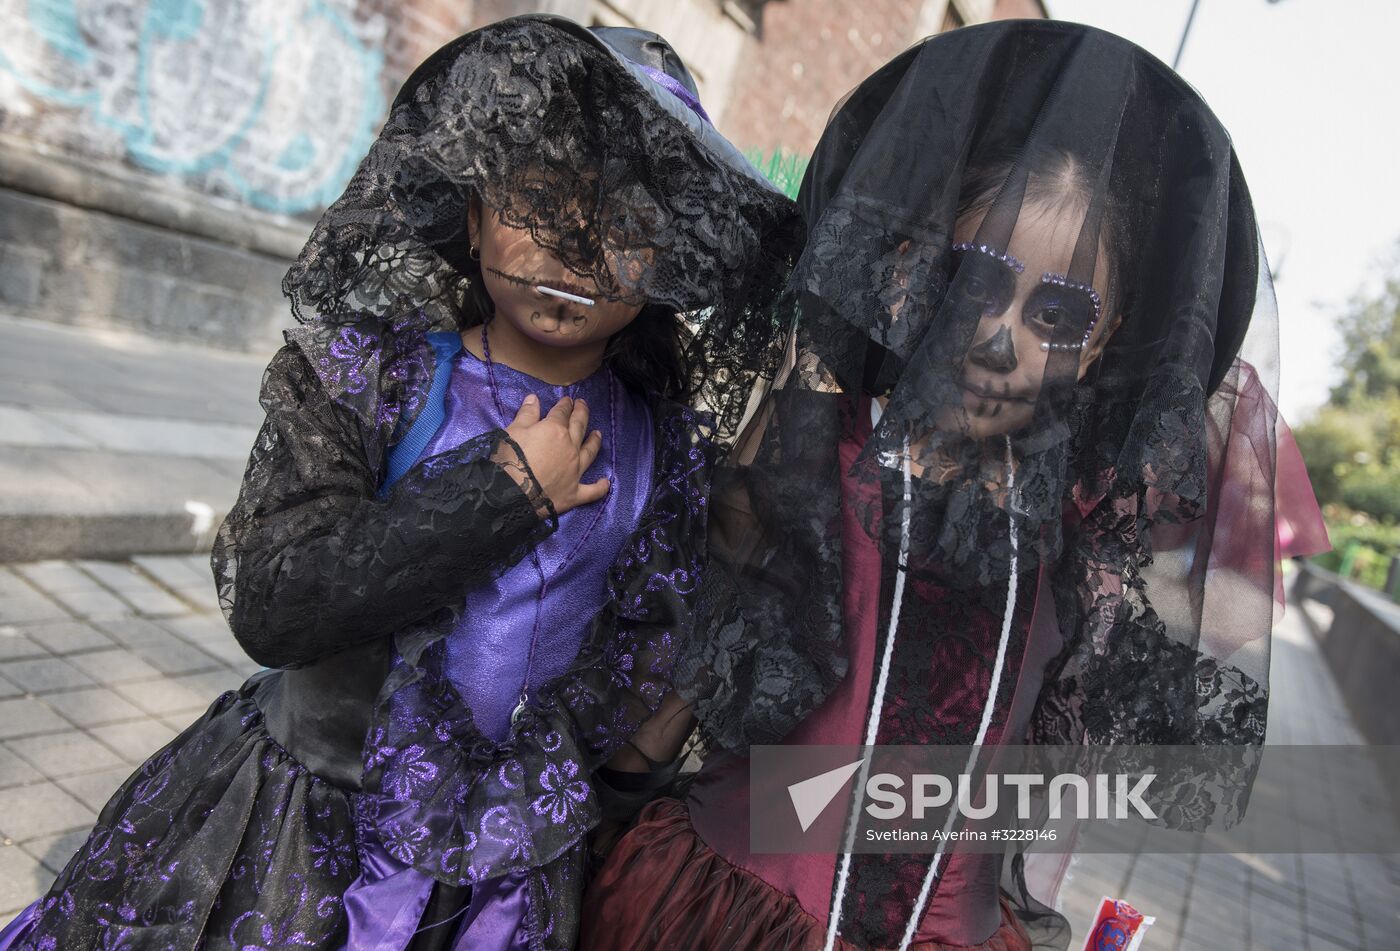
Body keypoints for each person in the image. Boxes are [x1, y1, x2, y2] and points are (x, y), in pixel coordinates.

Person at [0, 15, 799, 951]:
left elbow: (639, 659)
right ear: (473, 213)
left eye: (624, 222)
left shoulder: (662, 453)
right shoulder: (370, 379)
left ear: (666, 260)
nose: (576, 246)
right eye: (541, 197)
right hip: (298, 838)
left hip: (495, 888)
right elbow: (276, 599)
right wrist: (506, 492)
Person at [581, 20, 1322, 951]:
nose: (999, 337)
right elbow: (695, 670)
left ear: (1106, 338)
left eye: (1058, 311)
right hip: (731, 912)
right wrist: (588, 819)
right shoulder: (821, 449)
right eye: (977, 281)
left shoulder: (1083, 539)